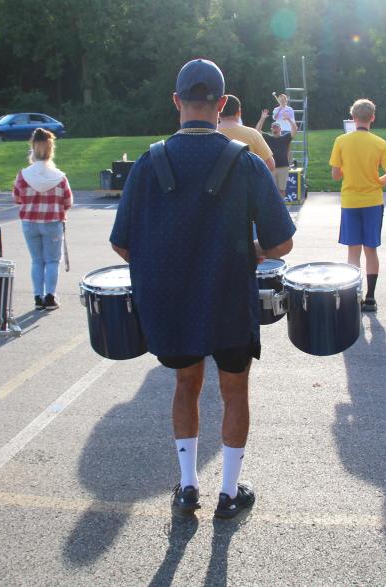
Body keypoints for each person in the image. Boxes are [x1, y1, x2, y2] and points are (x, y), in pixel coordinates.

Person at [110, 59, 295, 519]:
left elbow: (122, 243)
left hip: (172, 303)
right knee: (235, 390)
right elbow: (282, 242)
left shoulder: (148, 162)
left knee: (185, 384)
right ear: (220, 102)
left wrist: (167, 267)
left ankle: (188, 486)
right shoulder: (246, 161)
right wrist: (245, 255)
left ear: (177, 102)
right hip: (230, 299)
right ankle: (229, 493)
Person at [329, 99, 386, 312]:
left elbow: (335, 174)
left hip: (350, 201)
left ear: (352, 118)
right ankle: (370, 297)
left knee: (353, 251)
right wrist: (378, 182)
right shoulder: (379, 143)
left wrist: (347, 170)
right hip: (373, 201)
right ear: (372, 118)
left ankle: (353, 295)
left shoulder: (341, 140)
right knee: (371, 250)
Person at [12, 128, 72, 310]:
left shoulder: (23, 175)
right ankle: (50, 296)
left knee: (37, 260)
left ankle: (37, 296)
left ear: (33, 148)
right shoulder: (59, 178)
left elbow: (16, 198)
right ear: (50, 149)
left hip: (30, 223)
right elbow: (68, 201)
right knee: (52, 261)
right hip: (52, 222)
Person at [217, 94, 275, 170]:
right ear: (239, 112)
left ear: (218, 111)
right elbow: (270, 165)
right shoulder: (253, 134)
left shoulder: (209, 133)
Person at [255, 110, 298, 193]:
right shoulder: (268, 137)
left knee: (282, 190)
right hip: (271, 167)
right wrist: (262, 118)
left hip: (284, 167)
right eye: (273, 127)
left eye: (276, 127)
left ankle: (281, 205)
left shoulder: (285, 137)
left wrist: (289, 119)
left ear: (280, 129)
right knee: (272, 190)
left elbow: (295, 129)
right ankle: (273, 206)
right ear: (271, 129)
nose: (275, 128)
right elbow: (257, 131)